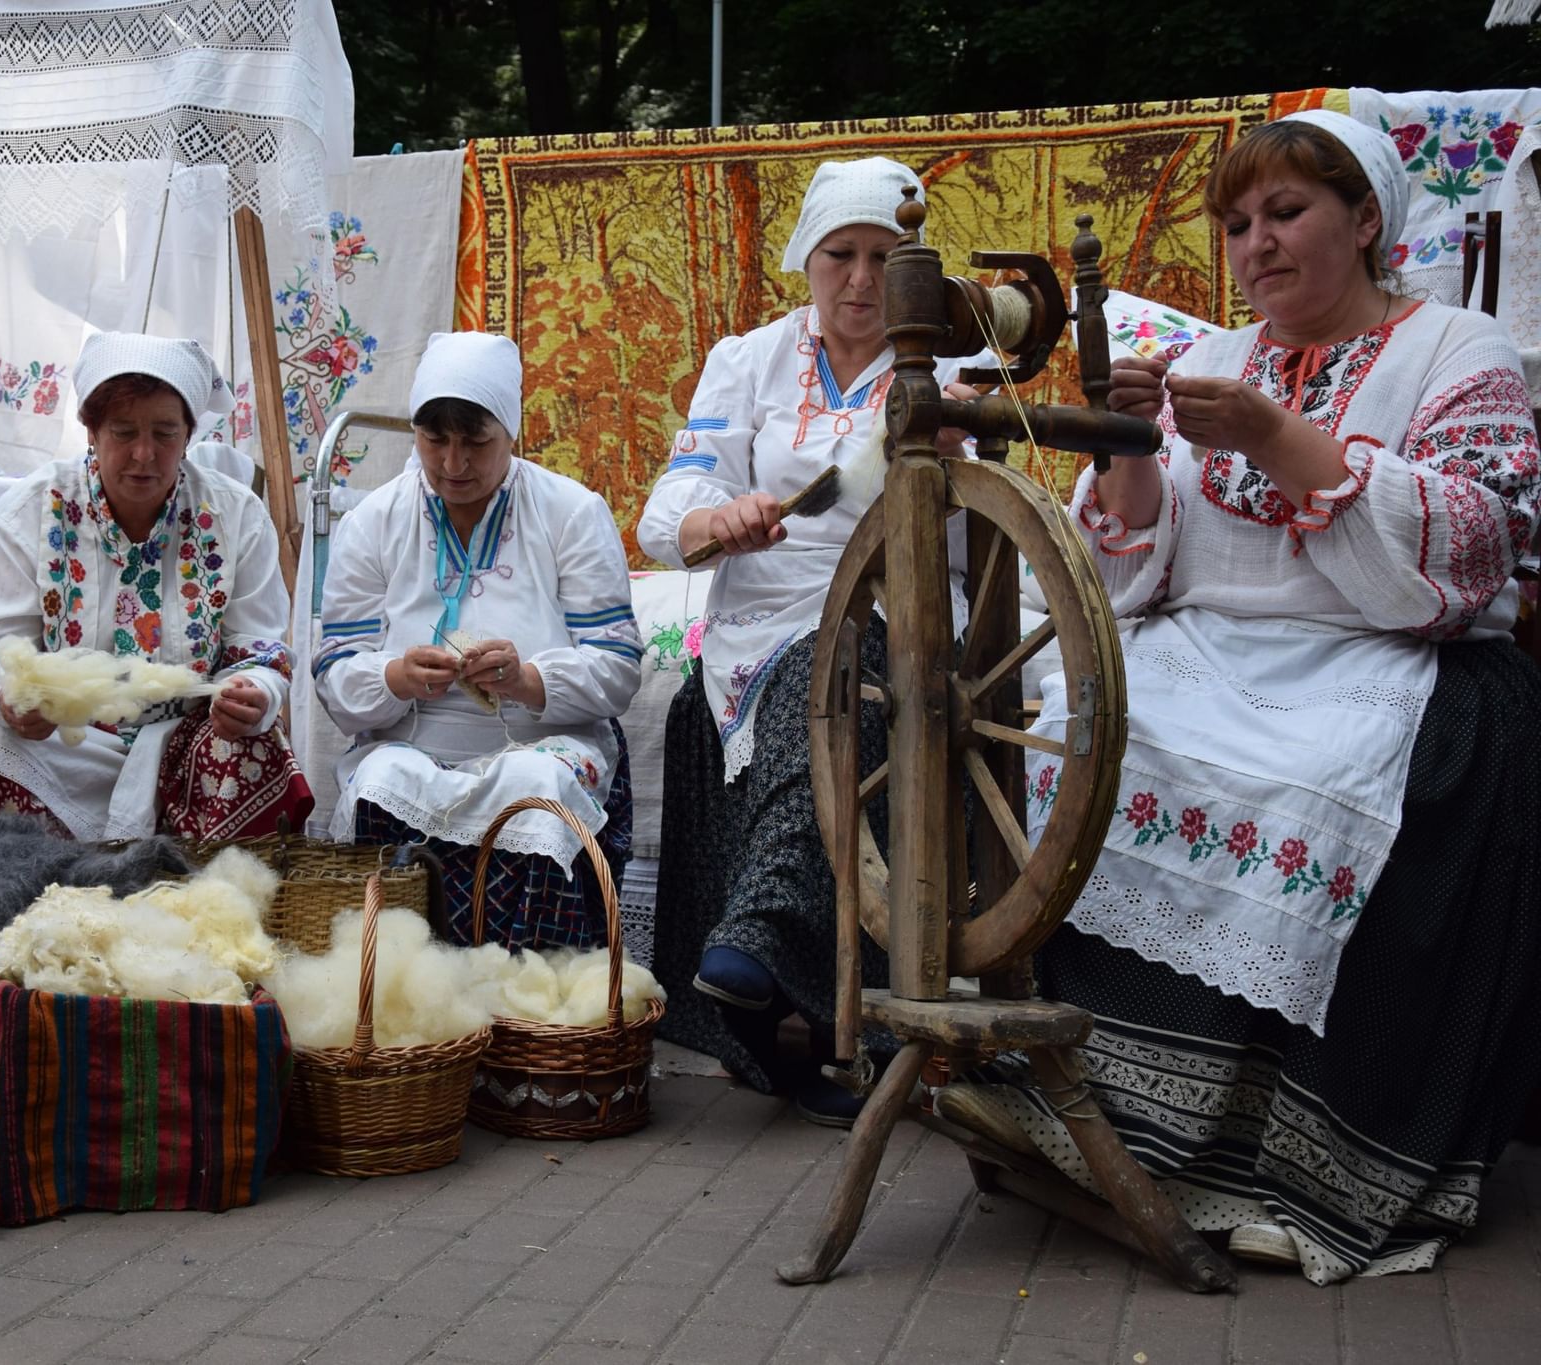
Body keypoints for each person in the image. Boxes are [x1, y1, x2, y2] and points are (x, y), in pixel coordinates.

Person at [940, 111, 1541, 1283]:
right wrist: (1125, 444)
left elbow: (1472, 551)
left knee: (1315, 789)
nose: (1254, 245)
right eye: (1234, 225)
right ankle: (1080, 1112)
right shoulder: (1211, 358)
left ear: (1365, 223)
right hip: (1207, 650)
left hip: (1385, 659)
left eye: (1284, 213)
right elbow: (1123, 571)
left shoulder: (1457, 352)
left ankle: (1293, 1170)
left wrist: (1281, 439)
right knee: (1064, 735)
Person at [636, 159, 981, 1124]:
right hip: (757, 615)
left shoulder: (942, 372)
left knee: (840, 675)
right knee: (743, 694)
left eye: (883, 257)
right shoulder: (745, 361)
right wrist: (722, 519)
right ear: (808, 259)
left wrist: (945, 474)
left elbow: (978, 535)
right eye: (842, 255)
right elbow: (667, 513)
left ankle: (758, 945)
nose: (863, 280)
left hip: (892, 605)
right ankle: (759, 999)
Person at [312, 331, 642, 948]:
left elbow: (618, 667)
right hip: (413, 741)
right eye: (435, 440)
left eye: (477, 441)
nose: (454, 464)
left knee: (539, 789)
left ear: (511, 432)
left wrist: (526, 680)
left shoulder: (571, 512)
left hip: (545, 742)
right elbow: (335, 669)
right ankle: (402, 986)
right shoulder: (373, 523)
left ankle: (527, 1002)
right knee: (382, 782)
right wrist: (395, 677)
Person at [0, 333, 312, 841]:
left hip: (186, 739)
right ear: (90, 431)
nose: (144, 454)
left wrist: (255, 691)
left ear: (190, 434)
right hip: (63, 741)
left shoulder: (235, 516)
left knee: (256, 748)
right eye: (123, 432)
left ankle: (204, 911)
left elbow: (259, 649)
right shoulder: (32, 509)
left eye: (165, 433)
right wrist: (9, 698)